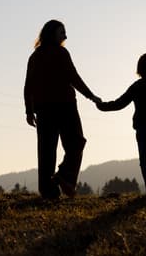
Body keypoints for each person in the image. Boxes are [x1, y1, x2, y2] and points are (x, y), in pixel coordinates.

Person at [24, 20, 102, 199]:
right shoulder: (61, 53)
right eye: (62, 33)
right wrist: (91, 96)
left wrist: (29, 111)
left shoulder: (34, 57)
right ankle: (65, 176)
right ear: (52, 34)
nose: (65, 36)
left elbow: (28, 86)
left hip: (43, 109)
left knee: (46, 151)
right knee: (76, 143)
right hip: (65, 106)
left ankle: (48, 191)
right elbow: (74, 77)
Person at [96, 53, 146, 196]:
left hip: (143, 130)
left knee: (145, 161)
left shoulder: (136, 87)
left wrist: (102, 106)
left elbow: (120, 103)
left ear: (139, 69)